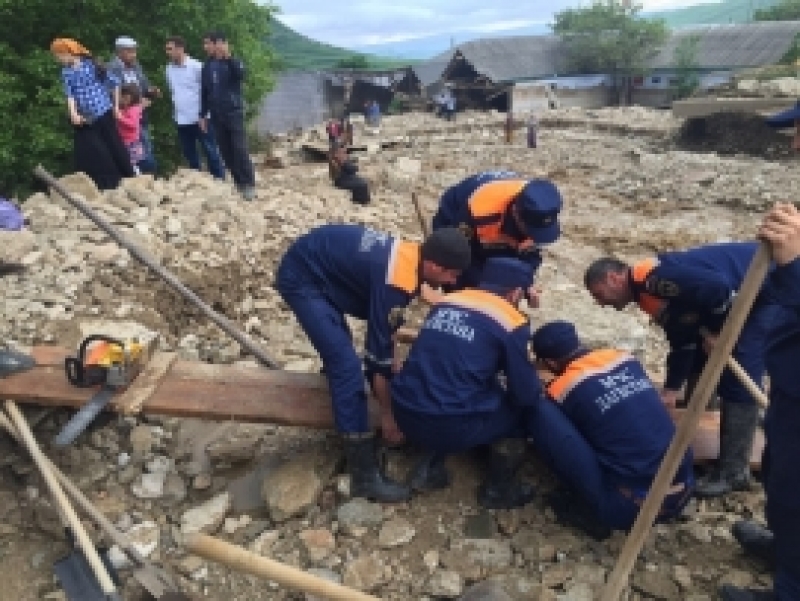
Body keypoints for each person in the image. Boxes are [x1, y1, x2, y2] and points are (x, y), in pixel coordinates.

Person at [274, 225, 471, 502]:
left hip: (321, 260)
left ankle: (341, 388)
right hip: (303, 277)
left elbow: (387, 330)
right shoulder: (396, 281)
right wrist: (388, 416)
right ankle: (363, 474)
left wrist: (392, 359)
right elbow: (377, 357)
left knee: (348, 356)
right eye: (451, 274)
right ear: (434, 265)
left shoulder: (411, 257)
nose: (451, 282)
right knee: (347, 369)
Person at [584, 242, 779, 498]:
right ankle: (706, 418)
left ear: (613, 278)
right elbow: (684, 341)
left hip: (767, 287)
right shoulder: (648, 295)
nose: (601, 304)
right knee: (701, 355)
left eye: (599, 294)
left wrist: (720, 332)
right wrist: (671, 388)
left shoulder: (656, 279)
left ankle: (734, 472)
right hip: (747, 291)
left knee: (739, 369)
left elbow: (718, 288)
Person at [390, 257, 543, 509]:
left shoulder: (447, 302)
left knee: (448, 382)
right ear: (516, 292)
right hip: (448, 426)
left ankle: (429, 466)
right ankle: (498, 490)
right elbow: (525, 393)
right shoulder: (510, 320)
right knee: (522, 411)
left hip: (403, 410)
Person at [529, 320, 694, 539]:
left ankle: (589, 512)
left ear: (550, 363)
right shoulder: (624, 359)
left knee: (540, 411)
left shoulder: (562, 388)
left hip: (628, 510)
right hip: (683, 493)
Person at [721, 203, 800, 601]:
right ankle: (786, 552)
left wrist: (796, 267)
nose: (794, 146)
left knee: (795, 494)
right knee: (777, 476)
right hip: (789, 386)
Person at [431, 171, 563, 293]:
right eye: (530, 230)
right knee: (455, 274)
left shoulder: (538, 211)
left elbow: (530, 256)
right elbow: (459, 256)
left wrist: (524, 283)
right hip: (455, 215)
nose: (533, 236)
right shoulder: (479, 213)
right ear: (516, 213)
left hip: (498, 222)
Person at [50, 38, 135, 190]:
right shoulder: (66, 72)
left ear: (68, 52)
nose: (58, 59)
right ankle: (101, 184)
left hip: (104, 111)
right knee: (93, 151)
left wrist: (116, 107)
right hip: (87, 118)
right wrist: (73, 114)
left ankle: (127, 177)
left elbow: (114, 83)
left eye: (59, 55)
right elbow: (70, 95)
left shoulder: (91, 65)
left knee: (113, 145)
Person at [200, 32, 256, 200]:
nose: (206, 47)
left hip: (234, 113)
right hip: (217, 115)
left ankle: (248, 184)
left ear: (221, 44)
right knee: (226, 152)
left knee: (239, 149)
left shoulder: (233, 62)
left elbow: (241, 75)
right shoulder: (207, 66)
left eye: (209, 43)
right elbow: (204, 92)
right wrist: (202, 114)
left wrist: (228, 57)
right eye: (205, 44)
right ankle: (239, 183)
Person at [165, 36, 225, 179]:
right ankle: (197, 183)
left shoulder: (197, 67)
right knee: (190, 153)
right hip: (181, 119)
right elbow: (173, 91)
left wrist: (204, 114)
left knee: (210, 151)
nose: (168, 52)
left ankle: (220, 180)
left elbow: (208, 92)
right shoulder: (169, 69)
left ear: (180, 49)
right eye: (166, 49)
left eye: (170, 49)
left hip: (200, 118)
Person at [107, 36, 160, 173]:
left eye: (134, 51)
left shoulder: (136, 66)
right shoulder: (112, 69)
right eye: (130, 52)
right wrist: (135, 104)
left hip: (140, 115)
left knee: (146, 147)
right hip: (126, 118)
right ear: (120, 52)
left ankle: (149, 178)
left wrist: (150, 92)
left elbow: (143, 87)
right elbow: (112, 94)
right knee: (137, 152)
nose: (134, 55)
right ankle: (144, 176)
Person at [116, 83, 148, 174]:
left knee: (131, 163)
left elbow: (133, 124)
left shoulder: (134, 109)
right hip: (124, 141)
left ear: (129, 98)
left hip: (131, 143)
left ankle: (136, 176)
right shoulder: (126, 109)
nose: (121, 100)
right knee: (126, 162)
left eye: (123, 98)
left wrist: (120, 117)